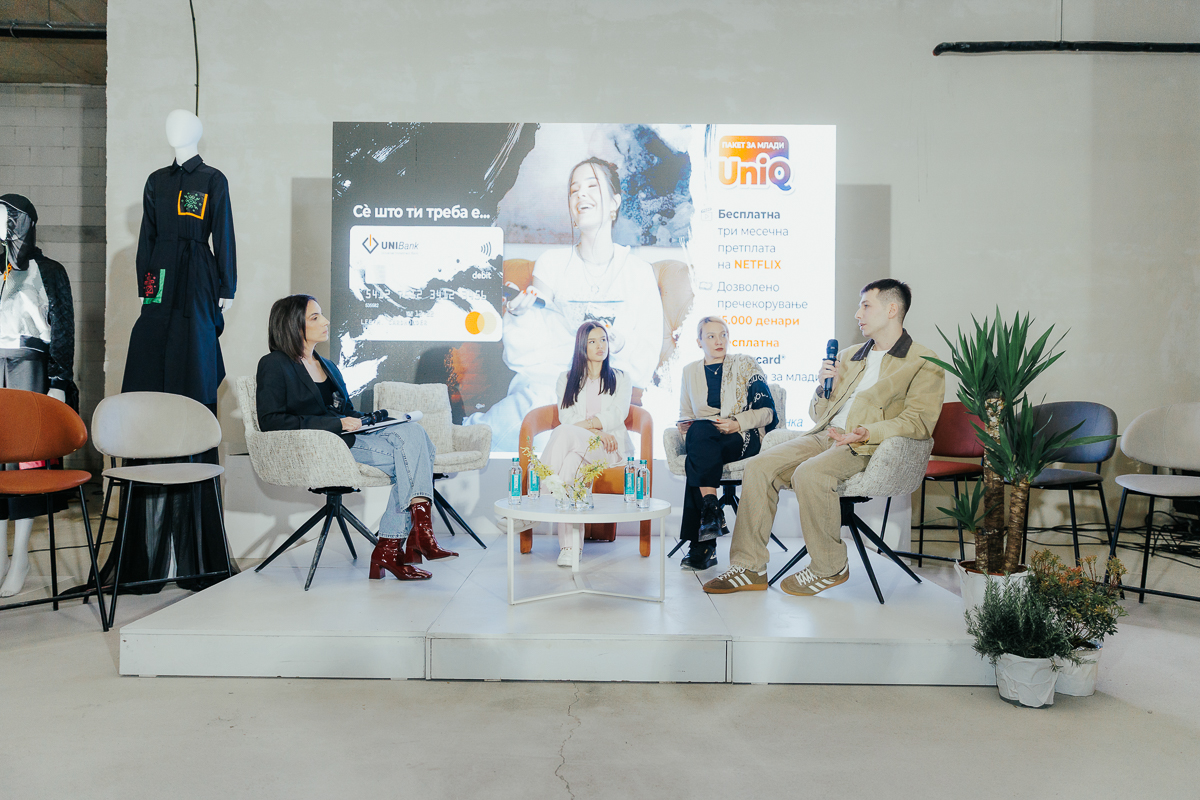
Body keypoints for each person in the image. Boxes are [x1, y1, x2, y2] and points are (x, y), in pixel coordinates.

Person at [702, 279, 944, 596]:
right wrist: (823, 388)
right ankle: (749, 567)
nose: (858, 314)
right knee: (759, 467)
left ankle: (830, 566)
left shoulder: (923, 362)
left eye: (866, 306)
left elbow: (919, 421)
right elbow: (818, 414)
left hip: (867, 445)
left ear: (891, 309)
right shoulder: (849, 356)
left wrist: (868, 431)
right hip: (824, 436)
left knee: (810, 473)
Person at [468, 156, 663, 450]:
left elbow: (645, 362)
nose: (581, 194)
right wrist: (521, 316)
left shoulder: (638, 272)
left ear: (615, 203)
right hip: (549, 388)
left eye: (592, 186)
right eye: (574, 190)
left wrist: (619, 344)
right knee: (531, 416)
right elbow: (529, 355)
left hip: (612, 393)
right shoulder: (552, 264)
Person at [255, 294, 456, 582]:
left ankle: (403, 544)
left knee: (413, 431)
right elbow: (271, 421)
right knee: (416, 458)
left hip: (352, 439)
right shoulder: (274, 364)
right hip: (324, 448)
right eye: (315, 317)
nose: (325, 321)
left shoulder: (328, 365)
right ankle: (406, 541)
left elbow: (346, 411)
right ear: (293, 325)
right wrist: (335, 423)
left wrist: (371, 421)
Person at [676, 316, 777, 571]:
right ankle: (711, 508)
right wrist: (685, 429)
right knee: (699, 436)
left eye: (723, 334)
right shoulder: (689, 371)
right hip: (705, 437)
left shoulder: (745, 365)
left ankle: (702, 546)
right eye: (711, 336)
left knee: (697, 457)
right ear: (699, 342)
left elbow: (767, 412)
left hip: (742, 435)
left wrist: (736, 423)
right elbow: (686, 413)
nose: (719, 341)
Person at [538, 321, 632, 567]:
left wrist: (593, 431)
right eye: (593, 341)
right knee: (571, 463)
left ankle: (537, 500)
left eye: (604, 340)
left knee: (563, 433)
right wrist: (596, 432)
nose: (601, 346)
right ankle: (570, 548)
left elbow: (617, 414)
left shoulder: (621, 378)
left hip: (610, 449)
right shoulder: (566, 379)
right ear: (582, 346)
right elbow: (566, 417)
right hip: (585, 445)